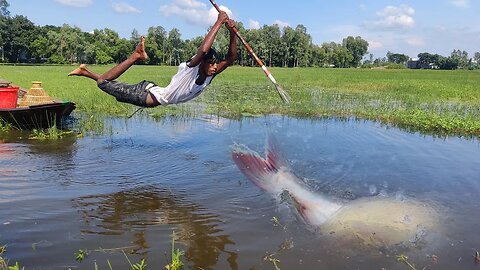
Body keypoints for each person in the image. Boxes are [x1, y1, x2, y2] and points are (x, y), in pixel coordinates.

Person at [68, 11, 237, 107]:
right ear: (201, 63)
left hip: (150, 90)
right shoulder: (190, 68)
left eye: (215, 64)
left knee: (110, 84)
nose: (215, 67)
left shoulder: (209, 75)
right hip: (146, 97)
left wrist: (232, 32)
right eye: (211, 63)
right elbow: (203, 50)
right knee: (103, 82)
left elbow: (230, 58)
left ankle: (84, 71)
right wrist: (218, 22)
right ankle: (136, 56)